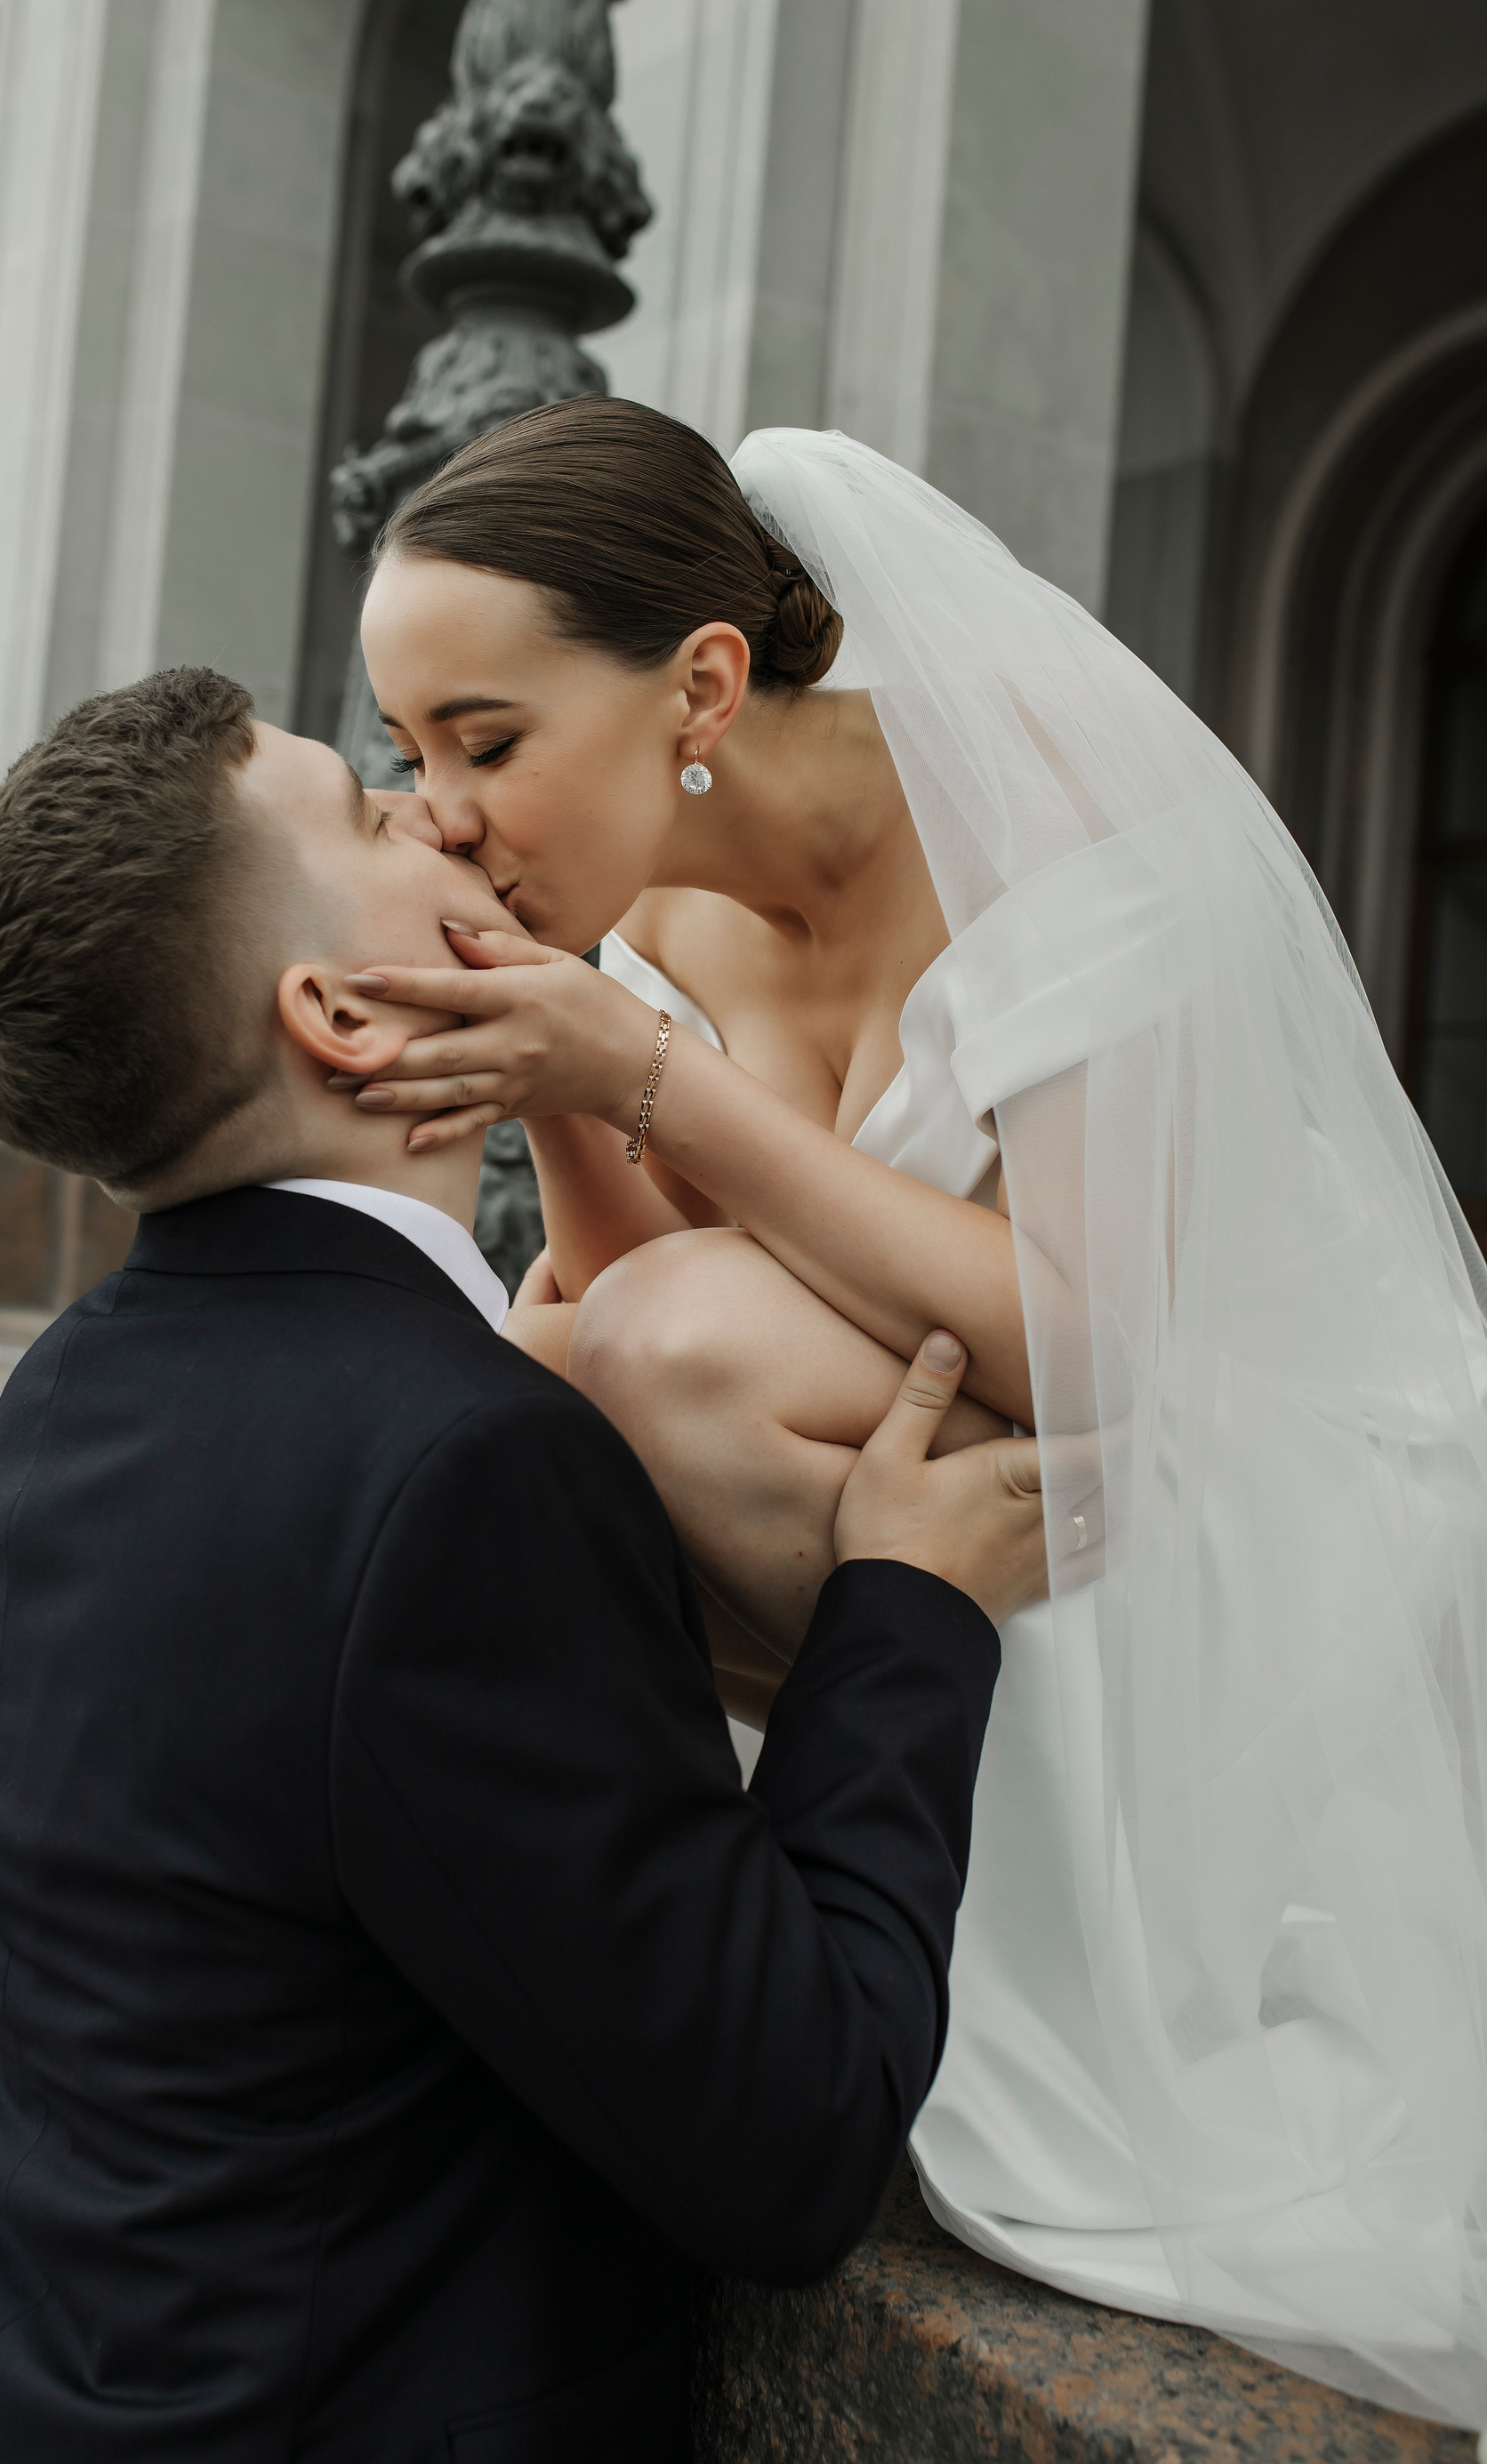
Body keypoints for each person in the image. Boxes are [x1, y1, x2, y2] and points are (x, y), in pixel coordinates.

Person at [346, 399, 1487, 2425]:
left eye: (486, 743)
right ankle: (763, 1876)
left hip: (1229, 1483)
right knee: (538, 1374)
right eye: (410, 752)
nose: (443, 813)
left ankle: (956, 1880)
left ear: (703, 688)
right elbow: (631, 1293)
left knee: (642, 1350)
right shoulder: (652, 906)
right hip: (961, 1479)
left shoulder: (1041, 811)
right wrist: (556, 1065)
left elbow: (1087, 1348)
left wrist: (640, 1074)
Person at [0, 667, 1050, 2463]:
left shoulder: (67, 1394)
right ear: (345, 1014)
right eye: (372, 814)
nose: (438, 810)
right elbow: (797, 2137)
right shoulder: (466, 1471)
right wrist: (908, 1603)